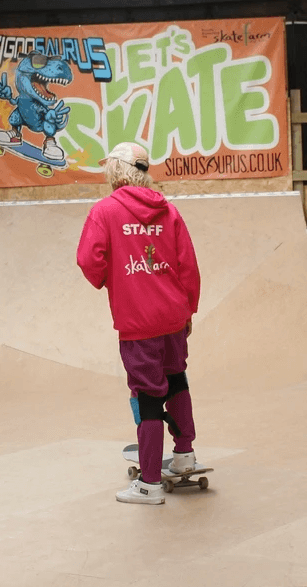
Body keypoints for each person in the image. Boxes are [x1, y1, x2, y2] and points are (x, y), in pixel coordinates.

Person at [76, 142, 201, 505]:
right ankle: (184, 455)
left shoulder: (105, 212)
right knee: (176, 379)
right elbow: (187, 266)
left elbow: (88, 260)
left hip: (138, 321)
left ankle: (148, 484)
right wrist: (188, 310)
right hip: (173, 316)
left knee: (147, 396)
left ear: (115, 172)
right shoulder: (169, 211)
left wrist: (109, 279)